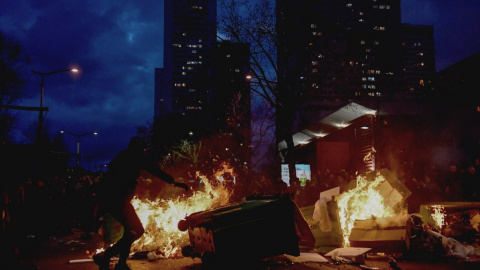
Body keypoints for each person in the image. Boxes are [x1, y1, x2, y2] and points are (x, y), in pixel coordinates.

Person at [93, 136, 188, 270]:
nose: (144, 151)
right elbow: (155, 170)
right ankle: (107, 255)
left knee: (130, 231)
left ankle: (121, 264)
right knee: (137, 230)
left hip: (115, 200)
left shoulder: (122, 156)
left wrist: (100, 205)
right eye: (143, 149)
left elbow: (107, 180)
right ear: (138, 148)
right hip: (118, 201)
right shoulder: (135, 157)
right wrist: (173, 181)